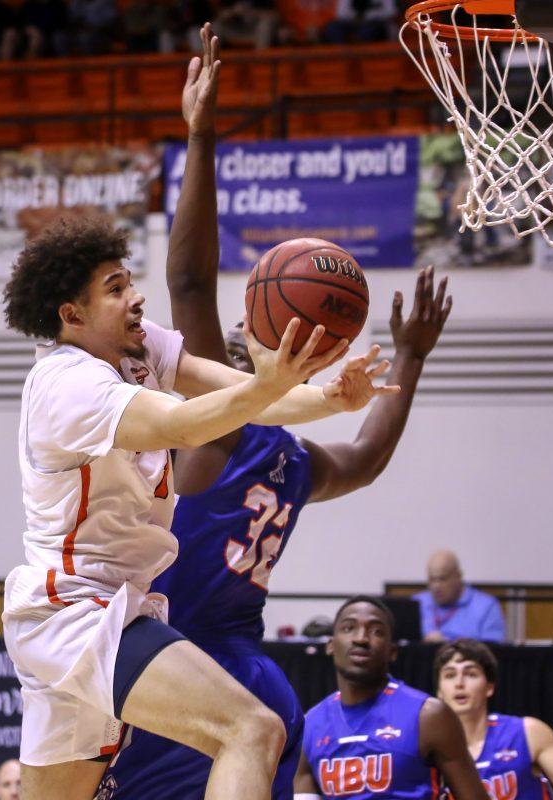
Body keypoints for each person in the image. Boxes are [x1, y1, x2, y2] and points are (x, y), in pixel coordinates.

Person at [100, 25, 450, 800]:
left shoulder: (222, 429)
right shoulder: (289, 455)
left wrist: (200, 134)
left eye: (227, 351)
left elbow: (190, 282)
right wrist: (413, 355)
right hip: (252, 674)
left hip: (181, 664)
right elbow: (363, 462)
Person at [1, 124, 395, 797]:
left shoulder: (135, 345)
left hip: (97, 612)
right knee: (251, 730)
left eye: (130, 280)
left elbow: (240, 398)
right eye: (116, 287)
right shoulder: (67, 385)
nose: (137, 297)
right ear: (72, 313)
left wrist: (329, 398)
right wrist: (267, 386)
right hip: (78, 610)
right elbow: (185, 421)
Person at [294, 597, 489, 799]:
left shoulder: (429, 716)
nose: (361, 638)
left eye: (376, 631)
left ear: (392, 652)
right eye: (348, 628)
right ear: (330, 646)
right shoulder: (310, 726)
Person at [435, 638, 553, 799]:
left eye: (470, 674)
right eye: (450, 675)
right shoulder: (429, 748)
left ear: (489, 687)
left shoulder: (527, 733)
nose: (459, 683)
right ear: (439, 692)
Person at [416, 550, 506, 643]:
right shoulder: (417, 602)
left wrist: (447, 645)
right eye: (432, 579)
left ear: (458, 576)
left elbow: (492, 651)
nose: (436, 586)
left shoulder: (487, 607)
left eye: (443, 579)